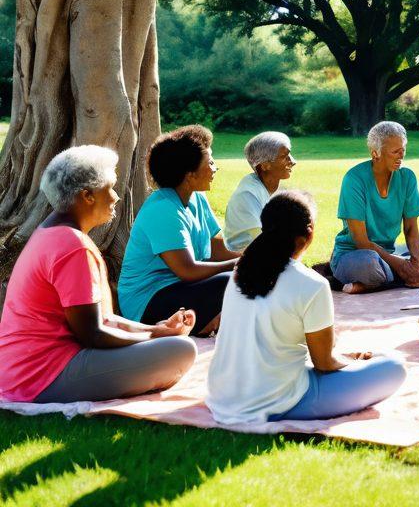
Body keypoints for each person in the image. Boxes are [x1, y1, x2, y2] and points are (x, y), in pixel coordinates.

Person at [0, 147, 196, 403]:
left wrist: (155, 331)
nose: (116, 197)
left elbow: (102, 319)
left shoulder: (52, 233)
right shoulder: (72, 246)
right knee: (180, 351)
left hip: (24, 370)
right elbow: (93, 334)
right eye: (110, 188)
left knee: (168, 346)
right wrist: (152, 337)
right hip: (42, 375)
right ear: (87, 196)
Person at [207, 190, 406, 423]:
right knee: (393, 367)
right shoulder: (312, 284)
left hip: (223, 397)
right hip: (277, 401)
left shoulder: (241, 271)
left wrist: (343, 357)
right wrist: (353, 362)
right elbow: (324, 363)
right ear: (308, 234)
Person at [117, 126, 240, 335]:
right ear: (189, 175)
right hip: (147, 303)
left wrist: (256, 259)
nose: (215, 168)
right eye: (210, 162)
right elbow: (187, 270)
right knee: (230, 281)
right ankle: (204, 324)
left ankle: (208, 322)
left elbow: (217, 249)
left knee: (245, 276)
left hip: (182, 287)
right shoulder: (162, 208)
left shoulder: (197, 198)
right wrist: (239, 265)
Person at [329, 121, 419, 293]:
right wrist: (401, 265)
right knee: (370, 264)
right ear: (376, 153)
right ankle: (383, 277)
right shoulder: (354, 179)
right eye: (395, 152)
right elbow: (361, 241)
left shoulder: (407, 177)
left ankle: (372, 284)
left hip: (391, 252)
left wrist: (416, 265)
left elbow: (411, 228)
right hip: (357, 254)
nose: (401, 156)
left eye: (403, 150)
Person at [223, 131, 296, 251]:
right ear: (264, 165)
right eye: (284, 157)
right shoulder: (247, 195)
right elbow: (264, 243)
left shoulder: (273, 189)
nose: (293, 162)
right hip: (246, 262)